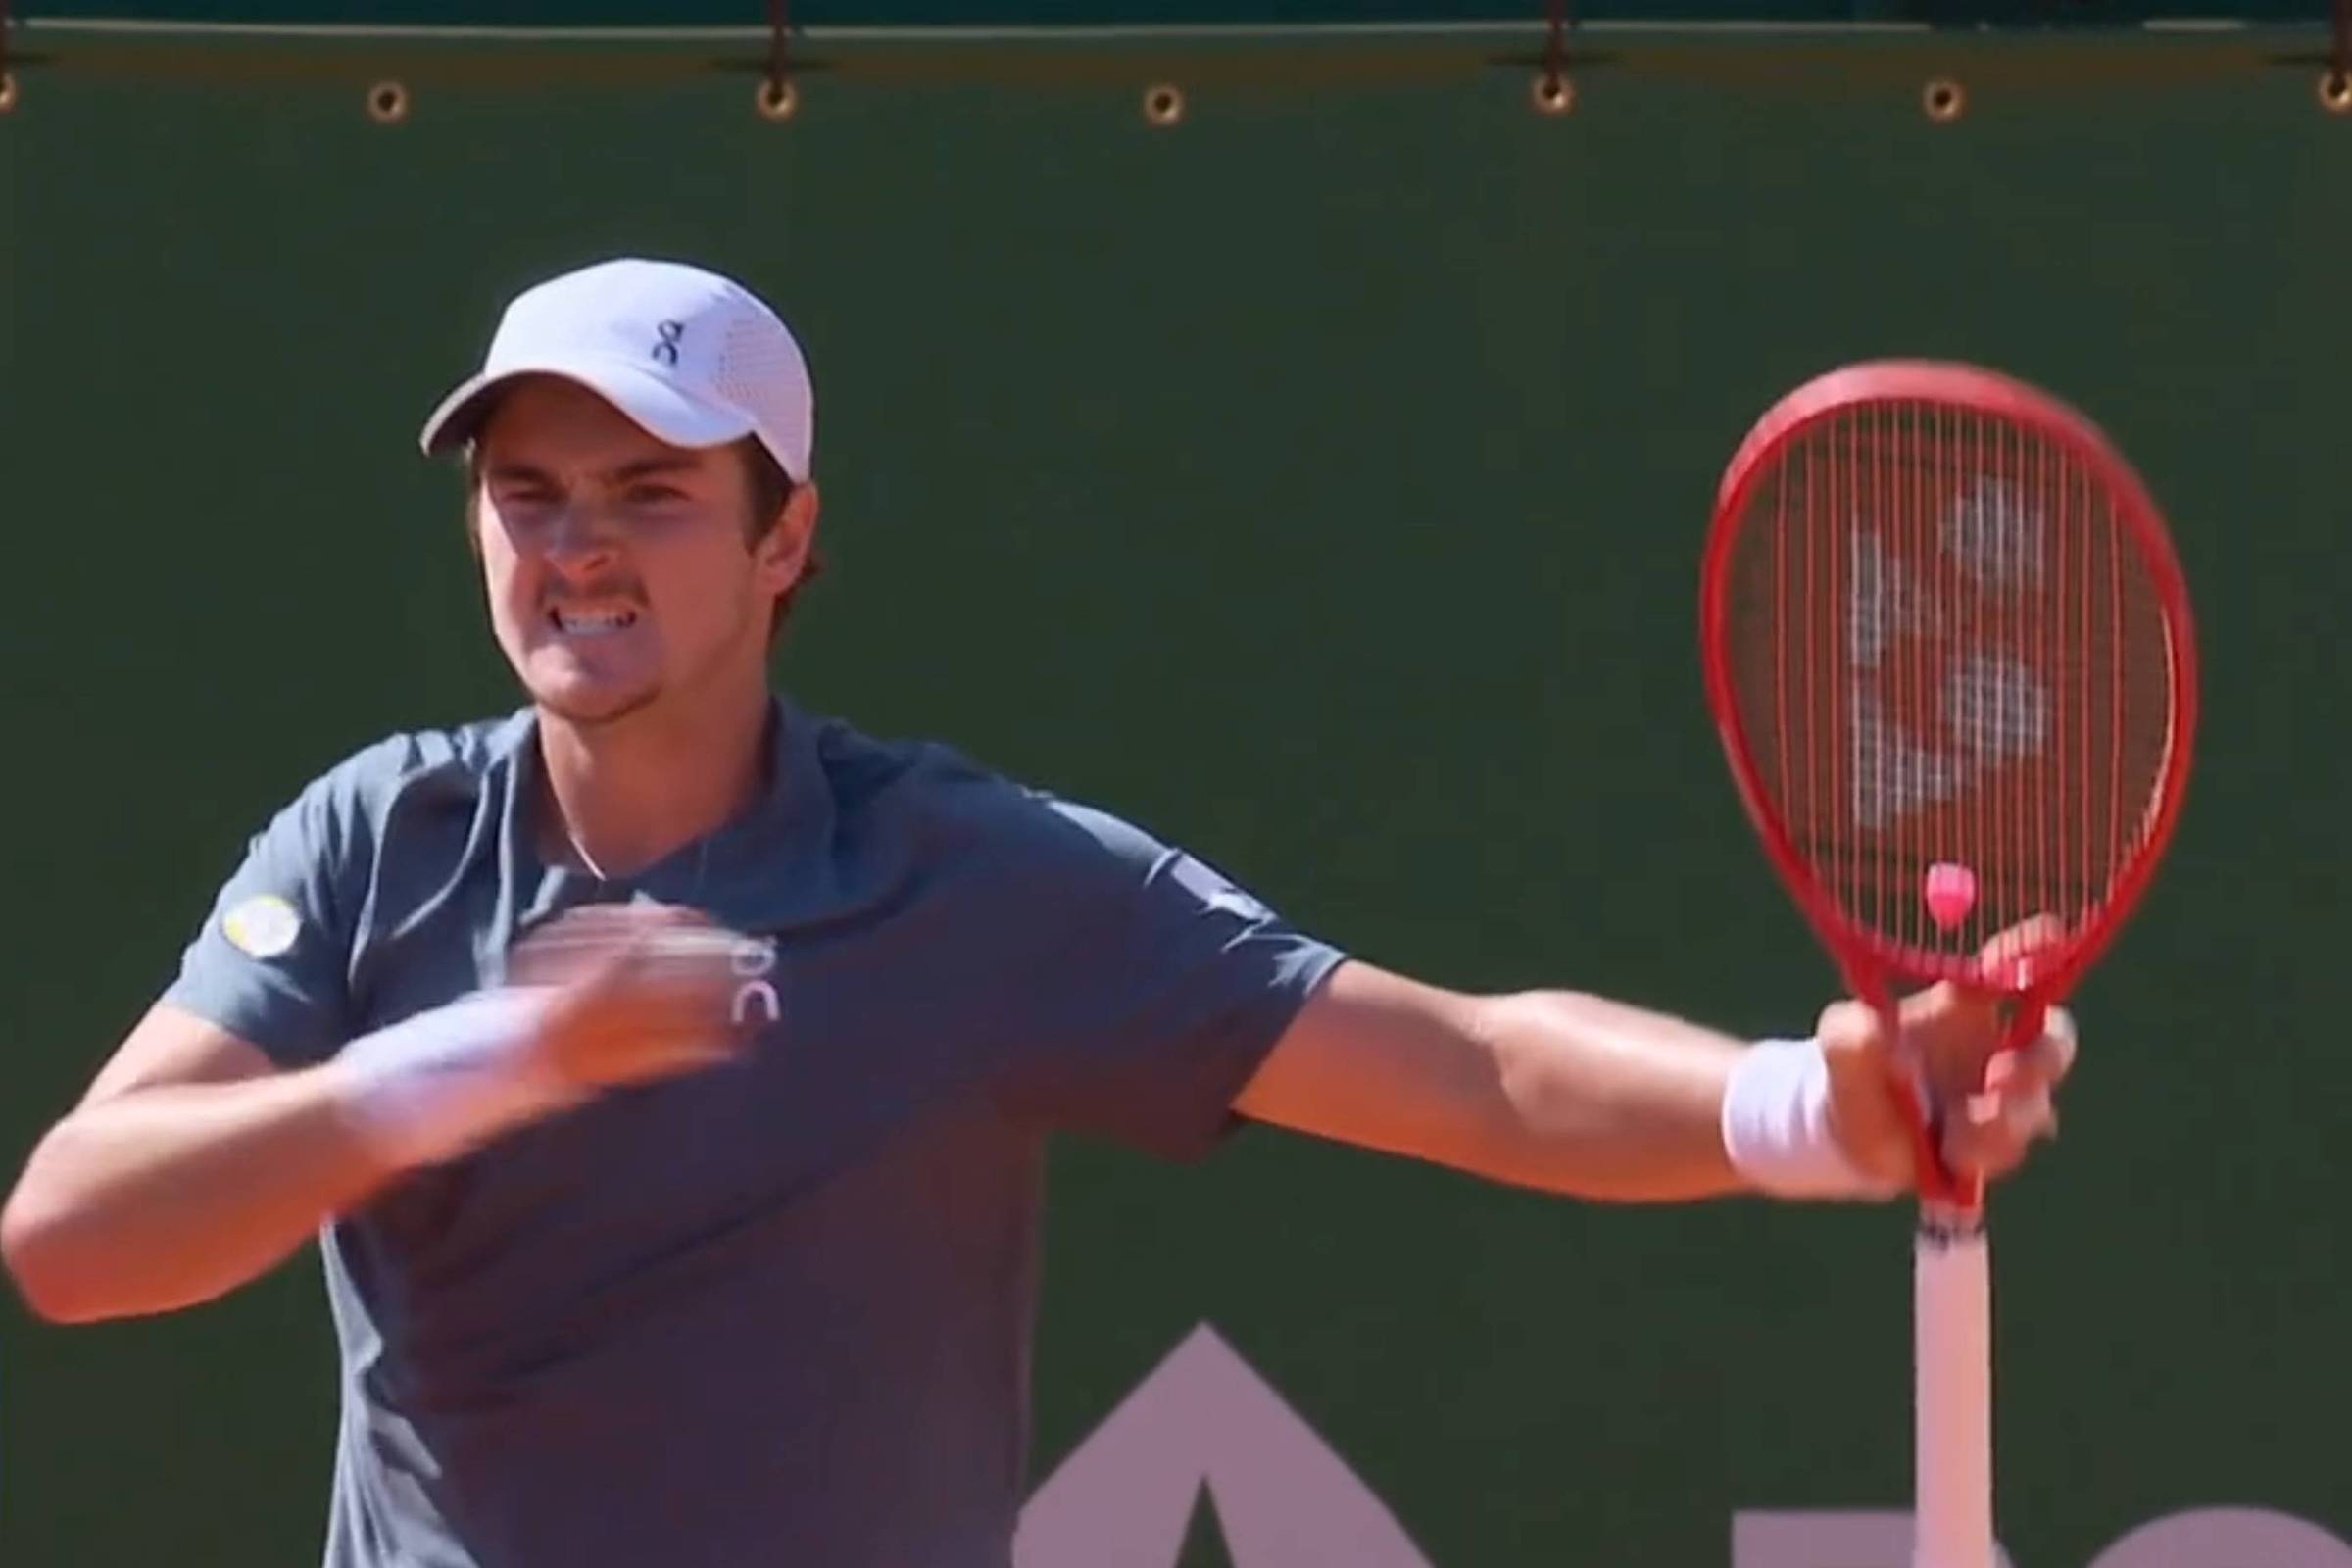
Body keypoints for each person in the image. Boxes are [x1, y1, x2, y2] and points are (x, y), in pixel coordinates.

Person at [0, 258, 2073, 1568]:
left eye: (650, 494)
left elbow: (1465, 1062)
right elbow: (75, 1234)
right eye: (529, 493)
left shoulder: (966, 878)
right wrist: (482, 1058)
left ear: (786, 536)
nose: (578, 550)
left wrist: (1823, 1108)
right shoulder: (378, 843)